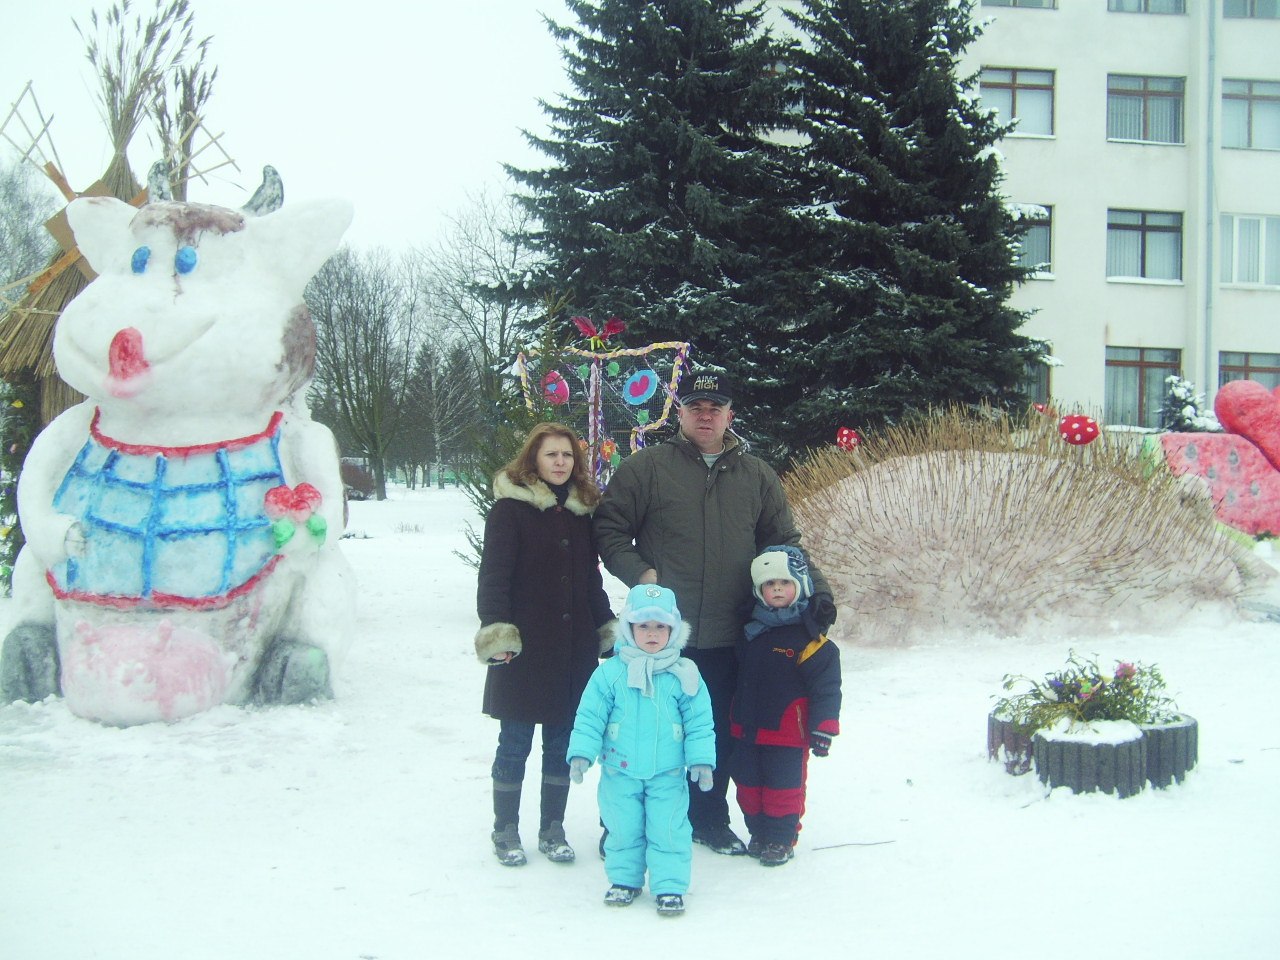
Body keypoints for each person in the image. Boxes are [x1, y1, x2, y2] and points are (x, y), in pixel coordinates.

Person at [594, 369, 836, 855]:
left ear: (729, 414)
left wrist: (818, 591)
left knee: (719, 733)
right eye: (695, 407)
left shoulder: (756, 475)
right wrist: (643, 576)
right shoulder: (647, 468)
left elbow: (783, 543)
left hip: (732, 634)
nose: (705, 416)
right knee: (647, 733)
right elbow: (609, 528)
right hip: (661, 635)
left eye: (715, 408)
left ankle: (707, 819)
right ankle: (625, 825)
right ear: (680, 413)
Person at [474, 422, 616, 867]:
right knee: (514, 742)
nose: (560, 462)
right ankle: (505, 829)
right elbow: (494, 577)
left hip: (573, 651)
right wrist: (497, 632)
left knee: (561, 744)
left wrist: (606, 628)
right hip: (523, 649)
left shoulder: (580, 513)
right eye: (551, 454)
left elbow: (590, 581)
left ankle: (552, 828)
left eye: (567, 455)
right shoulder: (509, 510)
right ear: (533, 458)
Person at [567, 584, 715, 916]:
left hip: (668, 773)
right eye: (643, 625)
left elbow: (700, 721)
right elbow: (590, 715)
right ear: (628, 627)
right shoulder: (610, 673)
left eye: (660, 626)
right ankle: (624, 880)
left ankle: (669, 885)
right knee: (623, 827)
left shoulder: (684, 674)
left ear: (673, 630)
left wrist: (702, 759)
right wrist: (581, 752)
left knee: (669, 829)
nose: (652, 633)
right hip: (619, 771)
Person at [731, 545, 841, 866]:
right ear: (759, 590)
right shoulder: (749, 632)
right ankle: (759, 832)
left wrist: (824, 728)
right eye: (770, 584)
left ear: (800, 586)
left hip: (787, 733)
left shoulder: (810, 640)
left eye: (784, 583)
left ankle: (780, 839)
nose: (777, 589)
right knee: (748, 785)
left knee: (783, 788)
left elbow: (826, 689)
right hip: (747, 728)